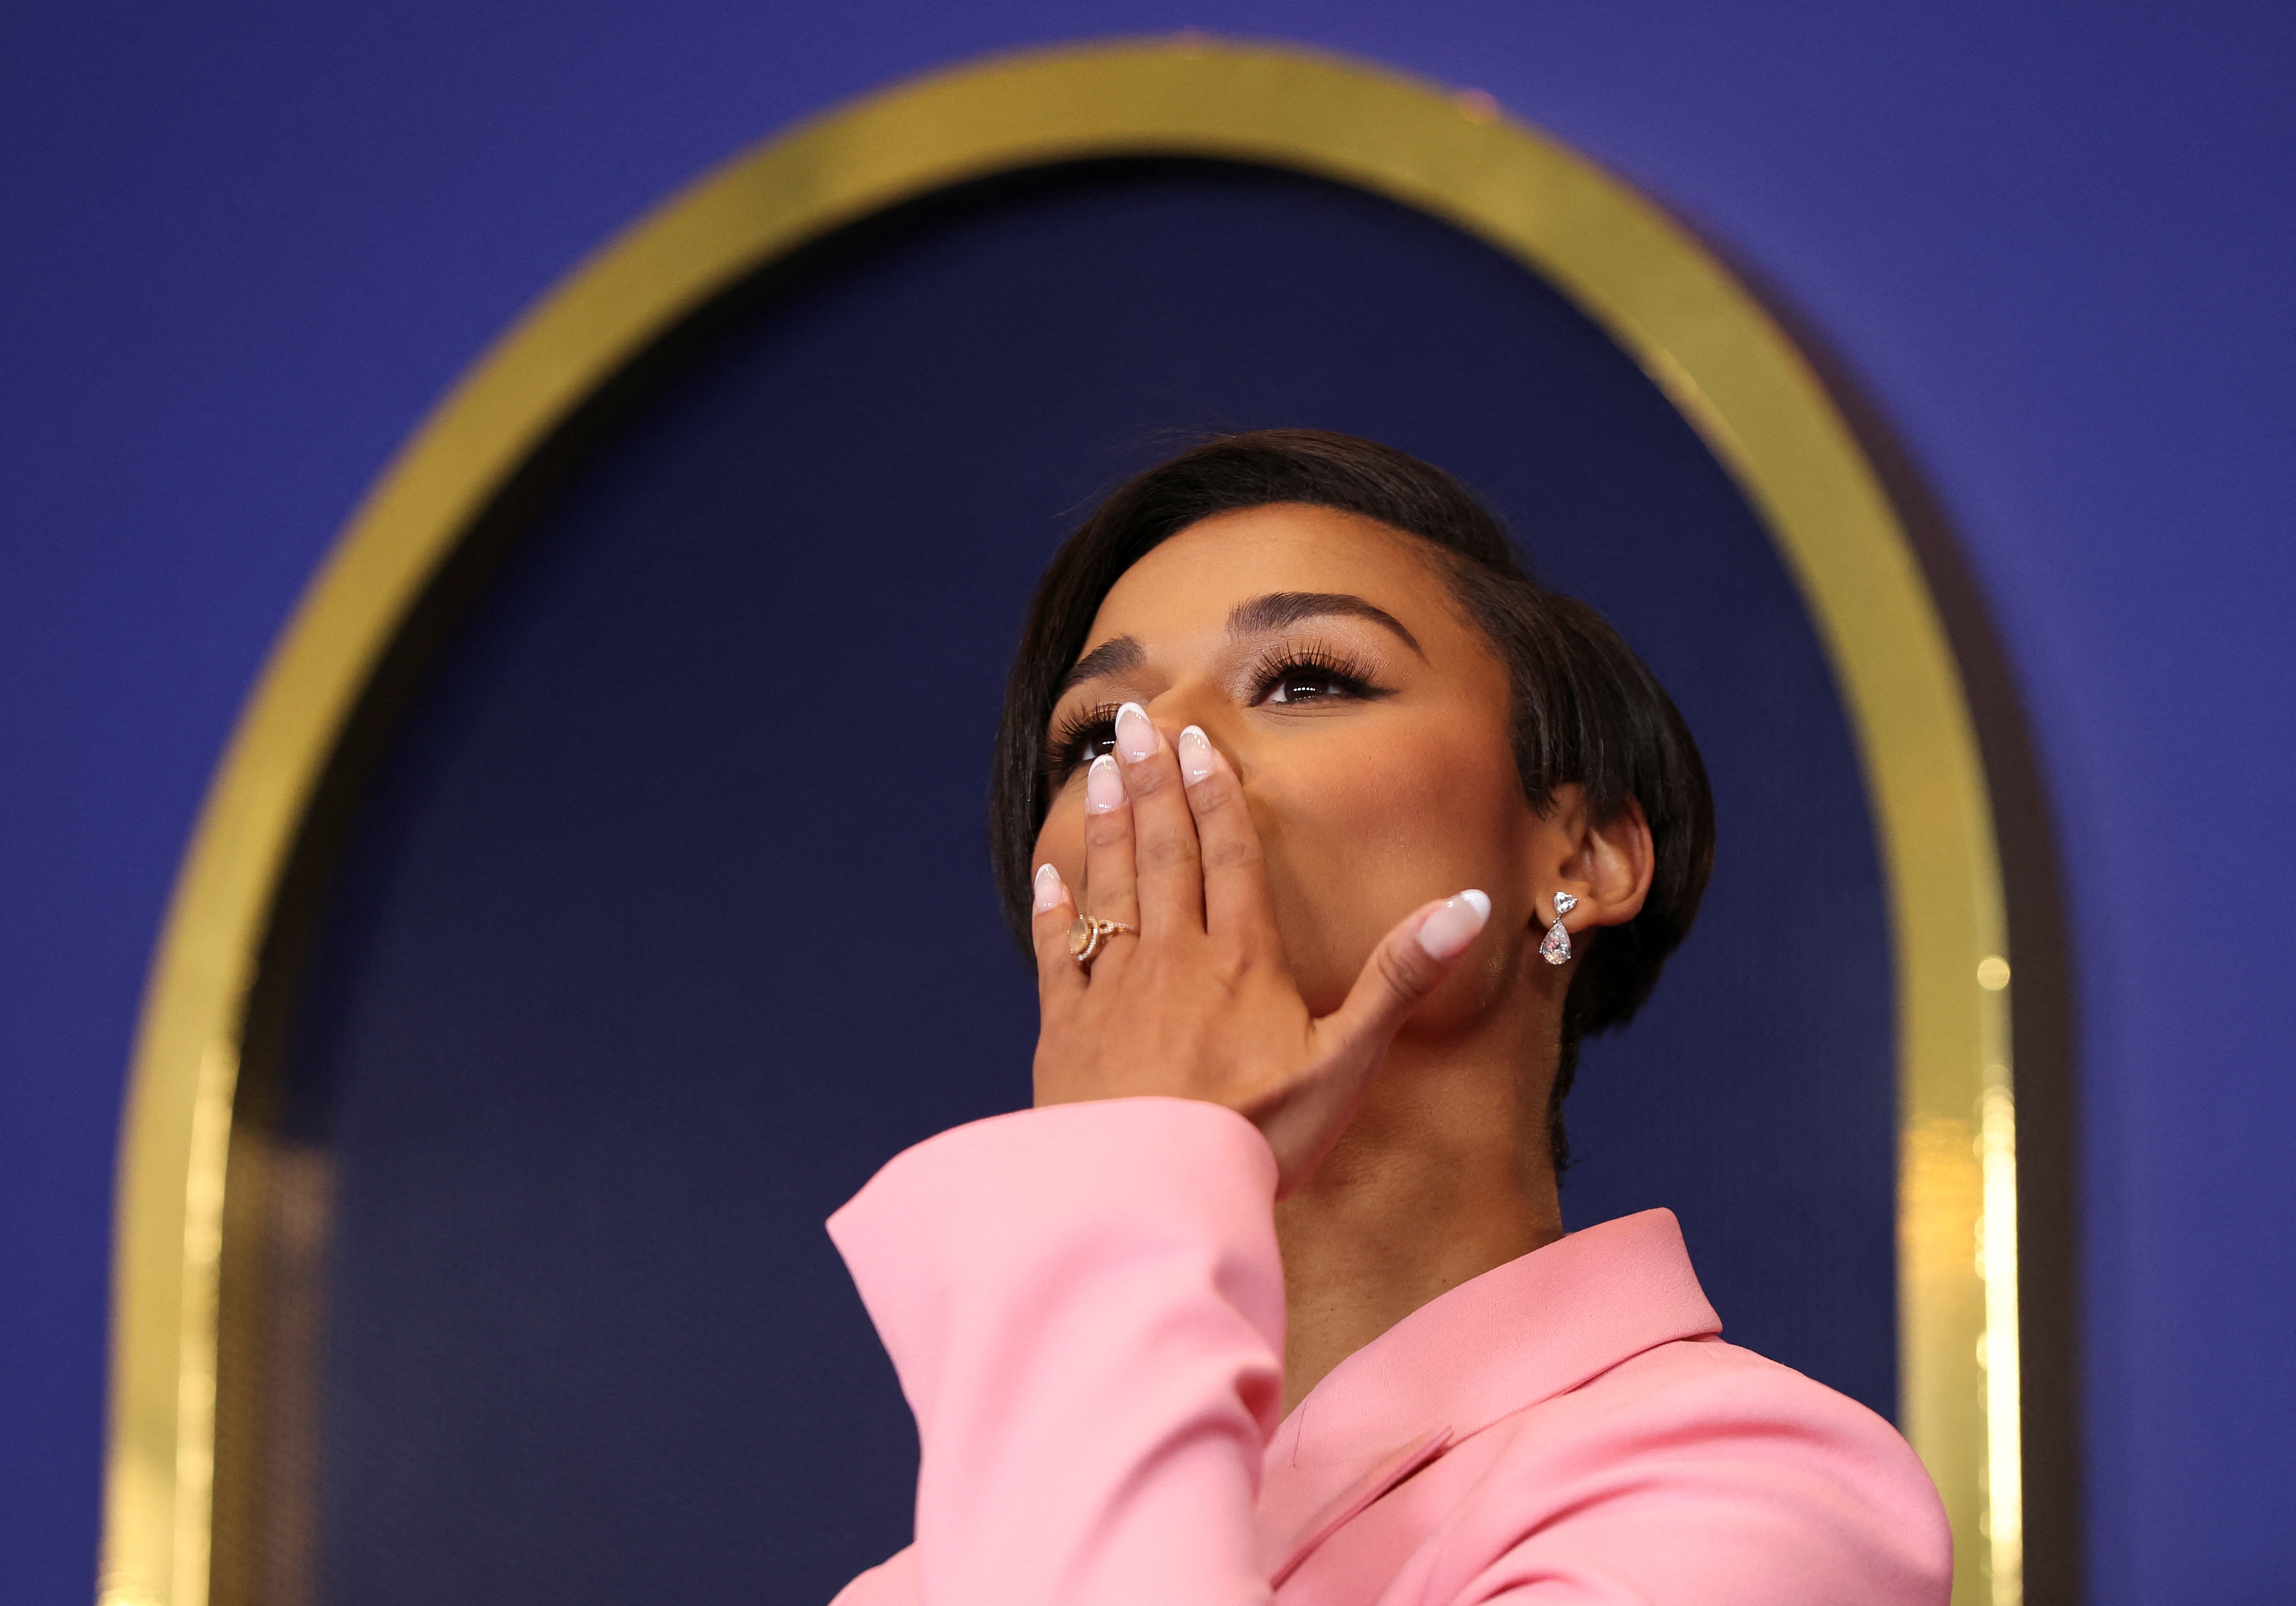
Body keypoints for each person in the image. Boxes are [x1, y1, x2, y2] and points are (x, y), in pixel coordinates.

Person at [826, 430, 1950, 1605]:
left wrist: (1124, 1175)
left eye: (1308, 679)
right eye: (1095, 736)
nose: (1160, 750)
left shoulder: (1754, 1493)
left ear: (1585, 852)